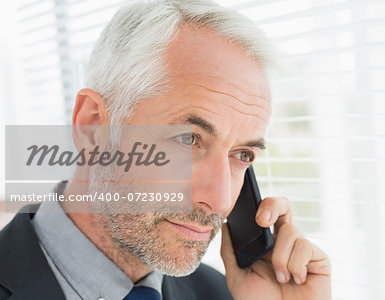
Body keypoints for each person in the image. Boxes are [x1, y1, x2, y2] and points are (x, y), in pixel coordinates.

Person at [0, 0, 331, 299]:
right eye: (188, 139)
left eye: (242, 155)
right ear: (92, 126)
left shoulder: (222, 293)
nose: (218, 200)